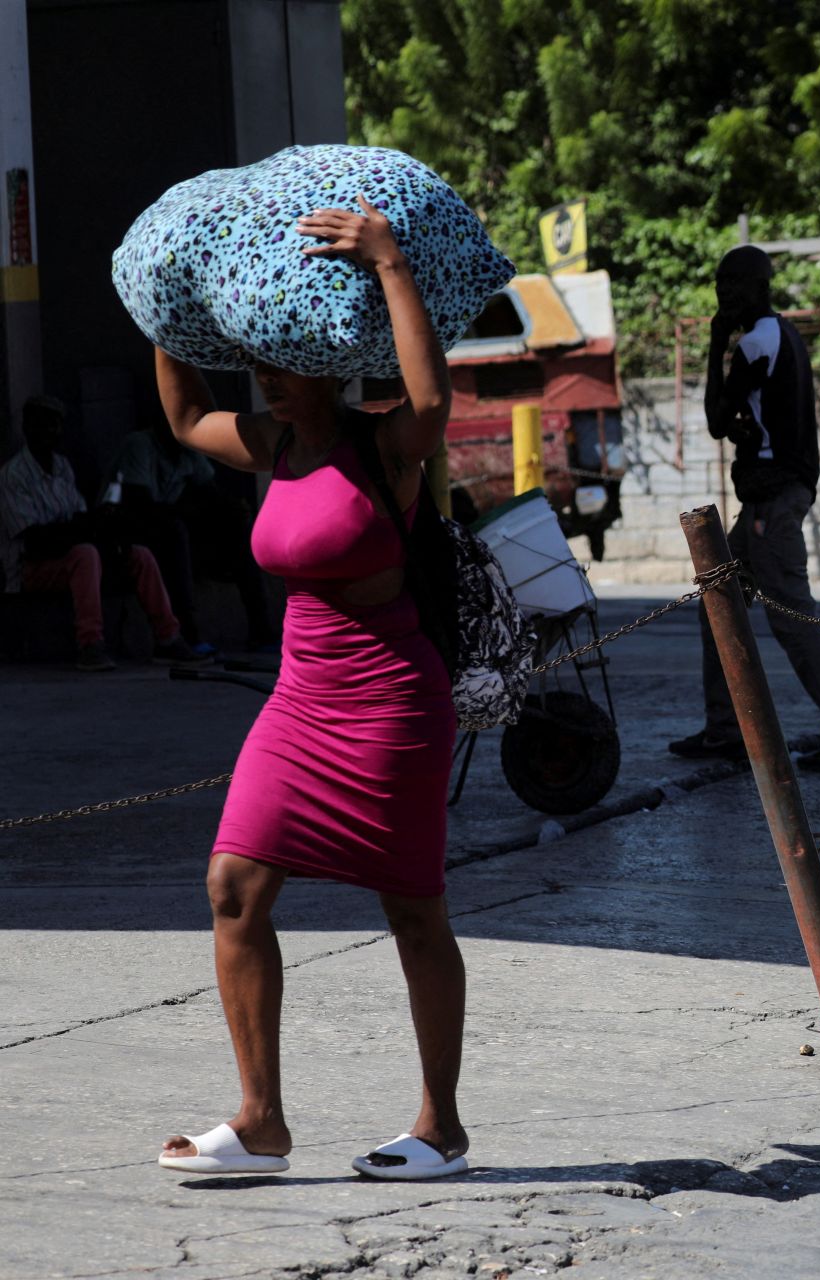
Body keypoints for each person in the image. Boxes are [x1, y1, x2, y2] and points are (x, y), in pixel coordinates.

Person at [153, 196, 470, 1180]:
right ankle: (260, 1121)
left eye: (281, 365)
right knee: (233, 885)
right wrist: (169, 310)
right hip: (298, 704)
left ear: (325, 364)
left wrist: (387, 260)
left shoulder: (386, 448)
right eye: (258, 365)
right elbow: (181, 415)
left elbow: (432, 402)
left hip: (391, 704)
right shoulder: (272, 443)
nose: (265, 381)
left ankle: (441, 1124)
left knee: (413, 908)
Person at [669, 245, 820, 772]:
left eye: (730, 287)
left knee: (792, 617)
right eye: (719, 288)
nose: (723, 298)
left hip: (772, 503)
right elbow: (754, 416)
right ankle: (724, 729)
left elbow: (718, 419)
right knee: (718, 600)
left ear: (757, 287)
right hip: (770, 498)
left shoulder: (756, 341)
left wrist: (718, 342)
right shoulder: (783, 336)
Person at [1, 395, 203, 671]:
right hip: (29, 566)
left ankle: (168, 637)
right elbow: (36, 540)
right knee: (85, 554)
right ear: (26, 427)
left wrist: (108, 537)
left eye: (54, 425)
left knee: (138, 555)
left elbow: (80, 519)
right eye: (40, 424)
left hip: (69, 551)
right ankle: (90, 643)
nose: (48, 432)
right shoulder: (13, 475)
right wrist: (84, 532)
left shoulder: (62, 467)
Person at [109, 417, 276, 651]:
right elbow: (140, 504)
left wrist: (233, 508)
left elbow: (211, 492)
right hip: (129, 531)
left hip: (172, 528)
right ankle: (187, 631)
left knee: (235, 522)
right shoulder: (140, 445)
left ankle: (261, 628)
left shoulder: (186, 448)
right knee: (173, 529)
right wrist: (192, 511)